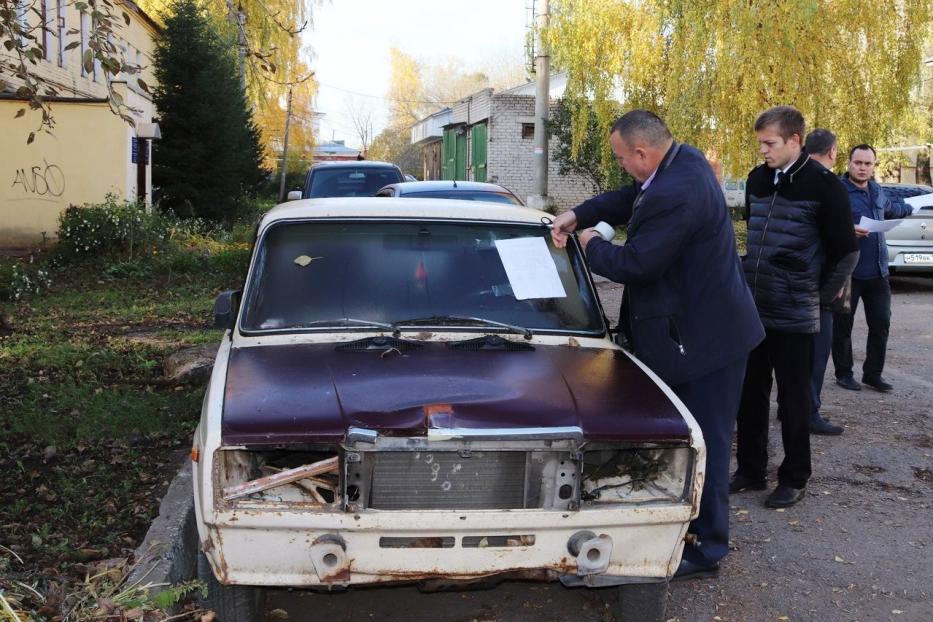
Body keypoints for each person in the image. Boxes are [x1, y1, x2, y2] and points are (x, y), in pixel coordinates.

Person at [550, 110, 764, 580]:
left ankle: (708, 547)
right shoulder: (679, 163)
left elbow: (639, 263)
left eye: (623, 158)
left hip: (706, 342)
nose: (623, 166)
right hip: (697, 331)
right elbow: (632, 197)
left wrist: (588, 243)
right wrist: (581, 212)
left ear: (644, 152)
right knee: (687, 438)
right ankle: (681, 524)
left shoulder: (677, 192)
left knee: (704, 441)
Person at [732, 106, 858, 509]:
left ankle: (794, 476)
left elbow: (846, 254)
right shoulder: (756, 179)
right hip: (754, 309)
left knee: (794, 399)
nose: (763, 150)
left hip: (795, 313)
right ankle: (751, 470)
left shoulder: (824, 186)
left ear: (795, 141)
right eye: (761, 143)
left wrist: (818, 298)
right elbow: (755, 238)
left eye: (770, 143)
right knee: (750, 394)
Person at [831, 144, 913, 392]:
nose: (863, 168)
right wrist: (848, 231)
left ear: (874, 166)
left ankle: (873, 374)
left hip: (878, 272)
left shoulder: (877, 190)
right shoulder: (837, 191)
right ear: (849, 163)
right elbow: (825, 225)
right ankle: (844, 373)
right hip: (849, 272)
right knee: (843, 326)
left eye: (868, 164)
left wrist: (911, 207)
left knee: (881, 324)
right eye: (859, 163)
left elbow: (891, 208)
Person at [801, 129, 849, 436]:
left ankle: (794, 408)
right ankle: (809, 412)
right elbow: (842, 248)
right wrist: (833, 288)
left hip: (792, 283)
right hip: (818, 285)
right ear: (832, 152)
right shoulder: (829, 184)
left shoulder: (790, 179)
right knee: (816, 355)